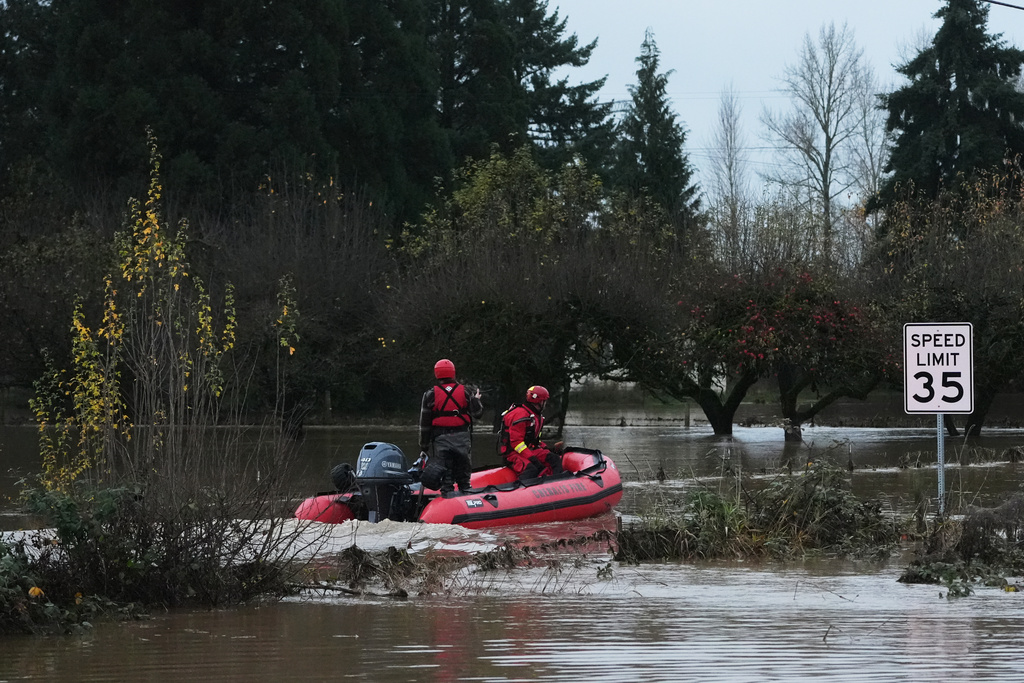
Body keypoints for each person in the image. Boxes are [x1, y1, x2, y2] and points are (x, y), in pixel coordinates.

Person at [418, 358, 483, 495]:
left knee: (445, 476)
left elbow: (424, 424)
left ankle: (447, 494)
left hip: (441, 440)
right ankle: (465, 493)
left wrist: (424, 446)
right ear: (453, 373)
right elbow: (477, 413)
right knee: (464, 475)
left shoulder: (430, 395)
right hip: (462, 438)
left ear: (437, 374)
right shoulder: (466, 392)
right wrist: (476, 400)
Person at [498, 385, 564, 481]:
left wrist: (549, 449)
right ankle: (520, 492)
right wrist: (533, 459)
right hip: (512, 453)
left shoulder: (535, 416)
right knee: (531, 469)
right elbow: (516, 443)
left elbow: (535, 441)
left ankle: (555, 485)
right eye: (544, 401)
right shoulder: (521, 415)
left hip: (527, 451)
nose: (545, 404)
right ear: (540, 401)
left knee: (554, 459)